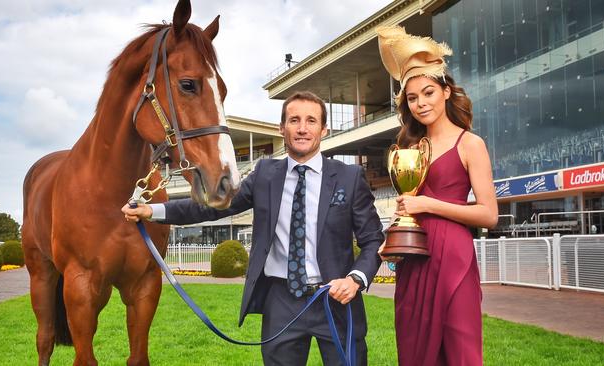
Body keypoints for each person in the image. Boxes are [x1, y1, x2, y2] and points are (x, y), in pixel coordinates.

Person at [122, 91, 384, 365]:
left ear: (324, 129)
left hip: (336, 298)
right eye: (294, 120)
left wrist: (355, 279)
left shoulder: (349, 177)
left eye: (311, 121)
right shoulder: (265, 173)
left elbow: (373, 240)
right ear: (282, 128)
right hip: (282, 301)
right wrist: (153, 210)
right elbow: (213, 205)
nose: (303, 128)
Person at [376, 26, 498, 365]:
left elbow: (489, 214)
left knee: (461, 351)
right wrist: (397, 230)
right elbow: (409, 204)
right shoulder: (410, 148)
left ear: (445, 91)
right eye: (412, 98)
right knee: (414, 351)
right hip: (415, 260)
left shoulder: (471, 144)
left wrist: (428, 204)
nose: (420, 103)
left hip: (455, 258)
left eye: (428, 93)